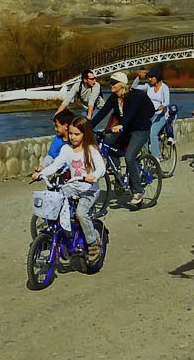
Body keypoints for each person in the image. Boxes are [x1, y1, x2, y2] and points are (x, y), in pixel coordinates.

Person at [32, 115, 107, 263]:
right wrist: (41, 173)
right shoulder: (66, 149)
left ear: (85, 134)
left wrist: (94, 176)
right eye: (71, 133)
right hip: (72, 187)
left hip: (89, 190)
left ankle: (93, 244)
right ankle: (60, 236)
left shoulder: (91, 149)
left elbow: (101, 168)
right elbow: (56, 165)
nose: (73, 137)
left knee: (80, 213)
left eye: (77, 134)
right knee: (54, 201)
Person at [89, 71, 154, 206]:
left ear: (122, 85)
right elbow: (102, 113)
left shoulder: (134, 96)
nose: (110, 85)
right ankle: (116, 167)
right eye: (110, 83)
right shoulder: (114, 98)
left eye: (113, 83)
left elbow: (129, 114)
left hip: (140, 130)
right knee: (107, 141)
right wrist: (86, 127)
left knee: (130, 157)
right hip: (125, 130)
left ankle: (138, 191)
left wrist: (122, 125)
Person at [133, 67, 173, 161]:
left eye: (152, 77)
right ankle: (147, 156)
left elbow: (167, 101)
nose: (150, 79)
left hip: (160, 115)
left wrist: (162, 106)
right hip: (149, 114)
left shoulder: (164, 88)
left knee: (152, 133)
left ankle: (155, 157)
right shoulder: (148, 86)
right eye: (149, 77)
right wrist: (138, 78)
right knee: (143, 134)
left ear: (157, 77)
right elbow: (133, 88)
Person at [34, 109, 77, 174]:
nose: (55, 129)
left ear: (66, 126)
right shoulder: (57, 139)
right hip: (58, 171)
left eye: (57, 126)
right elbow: (51, 156)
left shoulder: (76, 142)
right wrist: (42, 166)